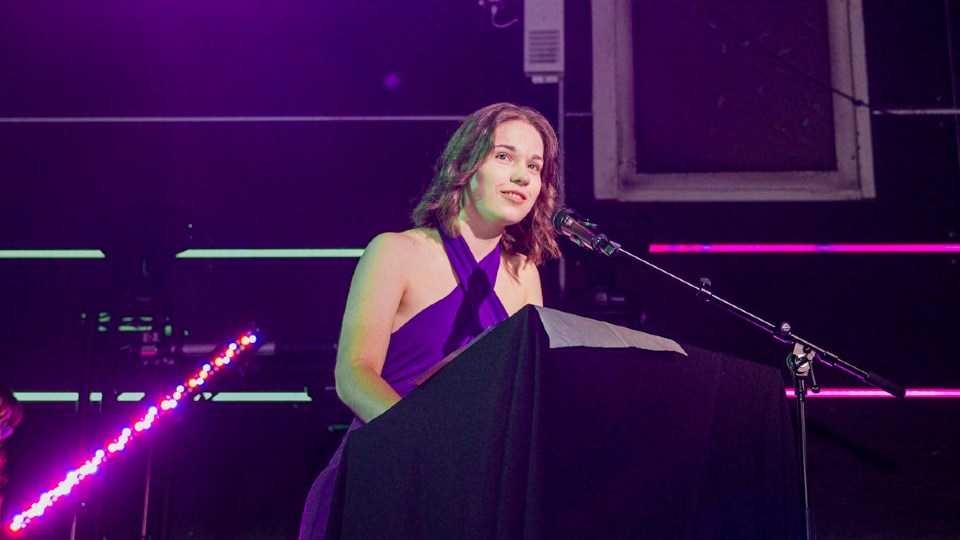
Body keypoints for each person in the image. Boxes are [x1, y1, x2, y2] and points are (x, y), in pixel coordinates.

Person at [299, 102, 562, 539]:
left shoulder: (524, 274)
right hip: (386, 473)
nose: (522, 176)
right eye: (504, 156)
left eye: (534, 166)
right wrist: (426, 447)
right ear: (463, 166)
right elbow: (353, 374)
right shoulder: (395, 251)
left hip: (469, 494)